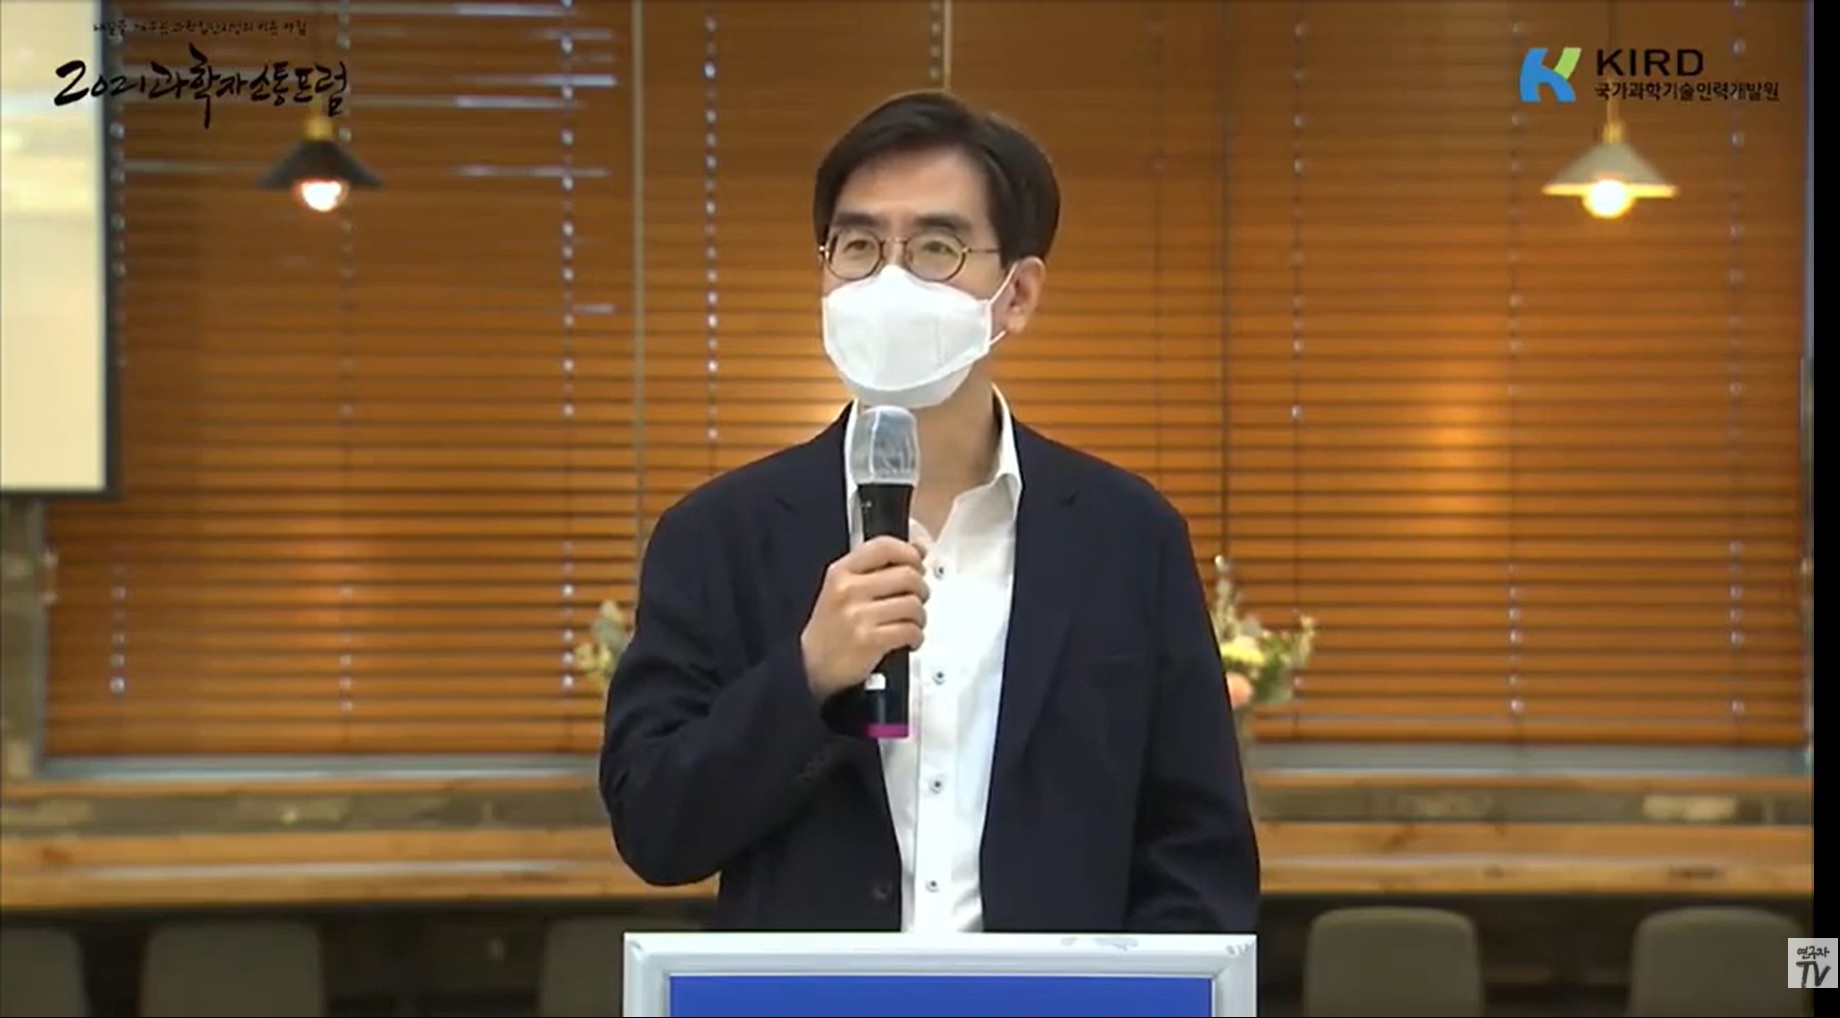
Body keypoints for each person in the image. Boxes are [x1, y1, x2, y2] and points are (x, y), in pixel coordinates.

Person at [599, 90, 1259, 933]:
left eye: (936, 248)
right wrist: (807, 675)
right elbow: (654, 827)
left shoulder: (1128, 538)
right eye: (859, 246)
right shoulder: (719, 535)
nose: (890, 281)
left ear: (1016, 294)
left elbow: (1198, 854)